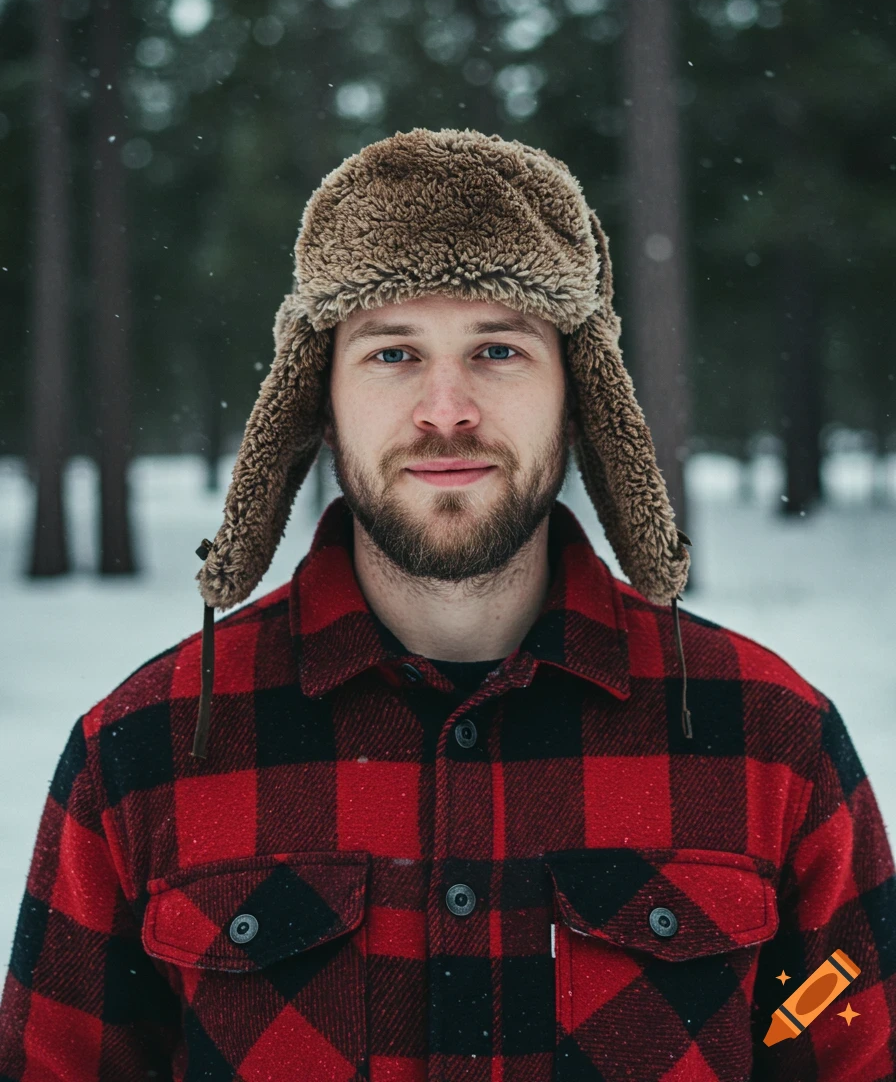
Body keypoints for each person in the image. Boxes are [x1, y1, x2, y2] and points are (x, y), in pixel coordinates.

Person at [1, 128, 893, 1081]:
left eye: (498, 349)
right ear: (319, 398)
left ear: (578, 394)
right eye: (393, 353)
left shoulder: (768, 738)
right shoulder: (146, 749)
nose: (446, 409)